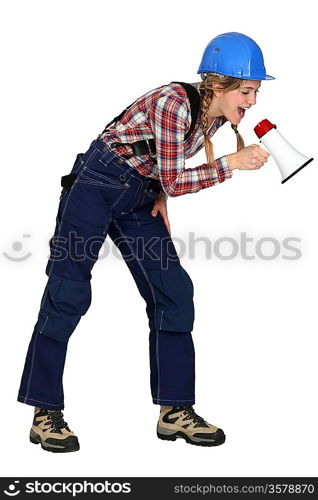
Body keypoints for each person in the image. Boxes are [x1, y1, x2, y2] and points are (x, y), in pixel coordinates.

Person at [17, 32, 273, 452]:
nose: (252, 100)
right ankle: (45, 413)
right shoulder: (176, 102)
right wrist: (230, 164)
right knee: (68, 292)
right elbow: (175, 175)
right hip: (95, 187)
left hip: (140, 196)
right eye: (246, 90)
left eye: (255, 91)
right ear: (217, 85)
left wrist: (157, 192)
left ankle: (174, 411)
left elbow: (162, 169)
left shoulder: (215, 116)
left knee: (174, 290)